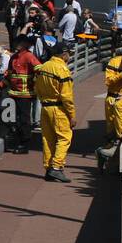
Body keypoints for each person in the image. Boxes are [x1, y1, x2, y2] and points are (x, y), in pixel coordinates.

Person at [34, 41, 75, 183]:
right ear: (64, 54)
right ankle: (56, 168)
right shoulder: (62, 69)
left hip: (45, 107)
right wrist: (72, 115)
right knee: (64, 138)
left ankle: (48, 168)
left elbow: (37, 88)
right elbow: (67, 97)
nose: (70, 56)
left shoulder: (44, 66)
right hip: (58, 109)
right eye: (69, 53)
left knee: (48, 139)